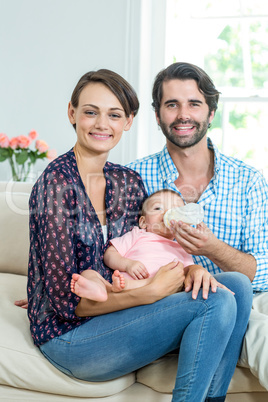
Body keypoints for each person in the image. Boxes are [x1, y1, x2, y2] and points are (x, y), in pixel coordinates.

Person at [18, 68, 253, 402]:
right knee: (215, 300)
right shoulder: (55, 186)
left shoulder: (127, 182)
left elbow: (143, 249)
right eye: (90, 112)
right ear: (72, 113)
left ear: (128, 121)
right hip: (70, 336)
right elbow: (67, 304)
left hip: (116, 310)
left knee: (238, 287)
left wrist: (191, 269)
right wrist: (151, 293)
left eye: (114, 114)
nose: (102, 124)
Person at [127, 61, 268, 390]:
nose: (182, 114)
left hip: (247, 298)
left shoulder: (248, 181)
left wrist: (211, 249)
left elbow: (262, 273)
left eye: (194, 103)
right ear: (158, 113)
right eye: (171, 104)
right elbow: (110, 253)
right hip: (173, 307)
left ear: (211, 111)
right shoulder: (132, 178)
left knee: (249, 309)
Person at [71, 189, 214, 296]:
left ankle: (110, 289)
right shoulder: (138, 235)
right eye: (158, 208)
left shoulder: (182, 247)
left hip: (162, 294)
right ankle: (97, 289)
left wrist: (195, 270)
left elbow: (189, 272)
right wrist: (127, 264)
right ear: (143, 222)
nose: (167, 214)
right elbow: (109, 254)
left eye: (175, 210)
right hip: (125, 287)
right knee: (88, 273)